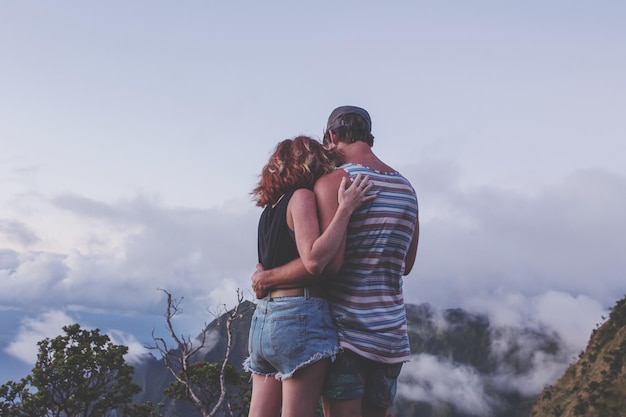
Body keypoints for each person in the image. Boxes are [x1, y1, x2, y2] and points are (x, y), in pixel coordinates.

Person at [252, 106, 419, 417]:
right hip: (391, 335)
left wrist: (268, 278)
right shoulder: (406, 188)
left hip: (347, 334)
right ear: (370, 137)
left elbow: (328, 264)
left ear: (332, 137)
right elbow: (406, 265)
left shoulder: (333, 183)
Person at [245, 135, 376, 417]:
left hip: (263, 321)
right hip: (298, 318)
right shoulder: (301, 198)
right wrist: (345, 209)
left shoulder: (269, 210)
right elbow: (314, 260)